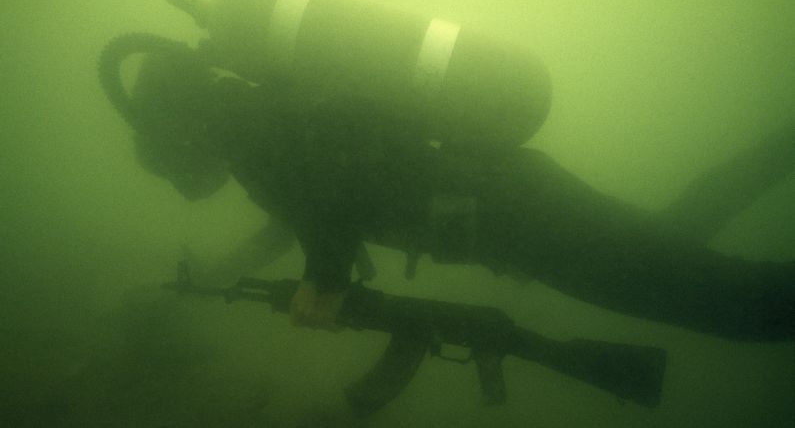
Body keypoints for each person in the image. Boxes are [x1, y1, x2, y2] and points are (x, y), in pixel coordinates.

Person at [98, 33, 795, 342]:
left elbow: (326, 203)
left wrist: (323, 281)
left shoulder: (246, 129)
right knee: (678, 246)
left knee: (728, 303)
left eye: (167, 160)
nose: (188, 177)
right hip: (508, 208)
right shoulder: (259, 116)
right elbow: (308, 203)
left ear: (172, 126)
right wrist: (234, 271)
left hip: (516, 216)